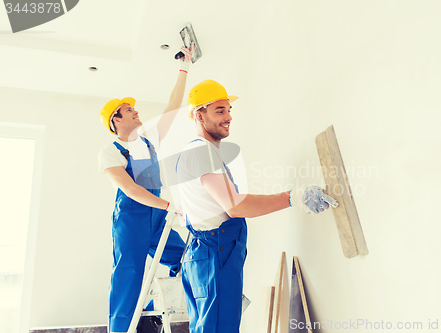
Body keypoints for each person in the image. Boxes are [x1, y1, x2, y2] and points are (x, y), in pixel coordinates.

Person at [175, 79, 337, 333]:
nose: (228, 117)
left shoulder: (198, 153)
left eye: (229, 110)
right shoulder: (201, 152)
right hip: (213, 253)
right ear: (199, 114)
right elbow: (235, 207)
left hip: (206, 253)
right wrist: (293, 197)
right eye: (220, 110)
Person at [98, 45, 195, 333]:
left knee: (188, 255)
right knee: (128, 279)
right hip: (131, 220)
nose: (136, 111)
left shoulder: (149, 139)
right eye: (129, 109)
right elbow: (128, 189)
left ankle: (193, 306)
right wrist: (167, 205)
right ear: (116, 119)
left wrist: (184, 67)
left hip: (156, 219)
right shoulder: (111, 151)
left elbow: (173, 106)